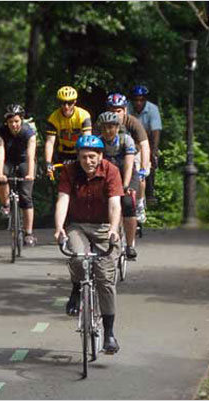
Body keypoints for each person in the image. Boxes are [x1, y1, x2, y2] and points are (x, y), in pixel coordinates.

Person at [54, 134, 123, 354]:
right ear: (78, 157)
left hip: (104, 227)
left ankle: (109, 334)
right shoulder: (69, 171)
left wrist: (113, 228)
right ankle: (76, 288)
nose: (88, 161)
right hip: (78, 225)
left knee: (105, 278)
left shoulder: (111, 171)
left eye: (92, 157)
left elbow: (115, 204)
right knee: (77, 257)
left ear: (101, 156)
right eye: (83, 157)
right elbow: (63, 199)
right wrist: (59, 227)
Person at [96, 111, 139, 259]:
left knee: (127, 203)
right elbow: (98, 165)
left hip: (126, 174)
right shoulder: (98, 142)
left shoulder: (126, 140)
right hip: (109, 174)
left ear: (117, 127)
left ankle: (130, 245)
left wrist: (126, 186)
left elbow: (128, 164)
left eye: (111, 127)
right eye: (104, 127)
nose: (108, 131)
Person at [106, 92, 151, 224]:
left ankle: (139, 204)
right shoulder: (103, 122)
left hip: (134, 152)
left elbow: (144, 145)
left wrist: (144, 167)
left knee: (140, 176)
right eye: (111, 110)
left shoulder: (133, 122)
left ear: (125, 110)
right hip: (112, 153)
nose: (115, 114)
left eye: (118, 111)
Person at [0, 104, 37, 246]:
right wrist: (0, 174)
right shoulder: (1, 132)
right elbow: (0, 155)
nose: (14, 125)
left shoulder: (29, 132)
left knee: (26, 197)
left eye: (17, 121)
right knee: (1, 178)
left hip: (25, 160)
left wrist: (30, 174)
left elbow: (31, 156)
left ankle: (28, 233)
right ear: (6, 122)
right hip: (9, 160)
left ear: (22, 120)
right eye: (11, 122)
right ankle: (5, 204)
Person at [44, 86, 92, 179]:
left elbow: (87, 140)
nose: (66, 106)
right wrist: (48, 163)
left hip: (79, 151)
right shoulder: (53, 118)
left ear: (75, 102)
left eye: (69, 103)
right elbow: (50, 142)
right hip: (62, 153)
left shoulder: (83, 115)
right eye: (63, 103)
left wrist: (84, 157)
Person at [128, 84, 163, 214]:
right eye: (135, 99)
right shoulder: (126, 108)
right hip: (130, 139)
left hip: (147, 140)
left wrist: (153, 151)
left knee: (150, 161)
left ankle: (149, 193)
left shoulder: (152, 109)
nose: (138, 102)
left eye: (141, 99)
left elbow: (155, 131)